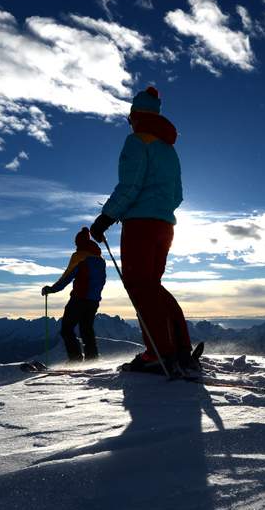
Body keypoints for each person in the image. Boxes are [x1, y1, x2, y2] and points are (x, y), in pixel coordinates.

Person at [90, 86, 195, 374]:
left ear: (136, 116)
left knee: (140, 288)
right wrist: (162, 211)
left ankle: (158, 355)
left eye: (130, 117)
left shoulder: (137, 142)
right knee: (153, 286)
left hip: (140, 226)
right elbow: (178, 195)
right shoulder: (169, 149)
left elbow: (130, 185)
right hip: (165, 226)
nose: (130, 122)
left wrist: (106, 217)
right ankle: (179, 348)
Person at [42, 227, 107, 363]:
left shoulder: (79, 256)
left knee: (67, 329)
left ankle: (75, 359)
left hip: (79, 298)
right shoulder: (100, 260)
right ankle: (92, 359)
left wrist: (51, 289)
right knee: (86, 329)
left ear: (79, 243)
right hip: (93, 301)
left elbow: (67, 276)